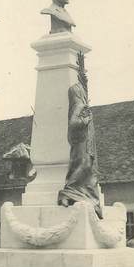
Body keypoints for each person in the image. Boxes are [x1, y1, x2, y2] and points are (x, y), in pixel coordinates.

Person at [58, 67, 103, 219]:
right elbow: (73, 123)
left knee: (86, 166)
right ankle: (69, 192)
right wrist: (86, 119)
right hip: (81, 141)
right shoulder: (78, 104)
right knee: (82, 165)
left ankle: (80, 194)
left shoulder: (81, 101)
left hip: (85, 140)